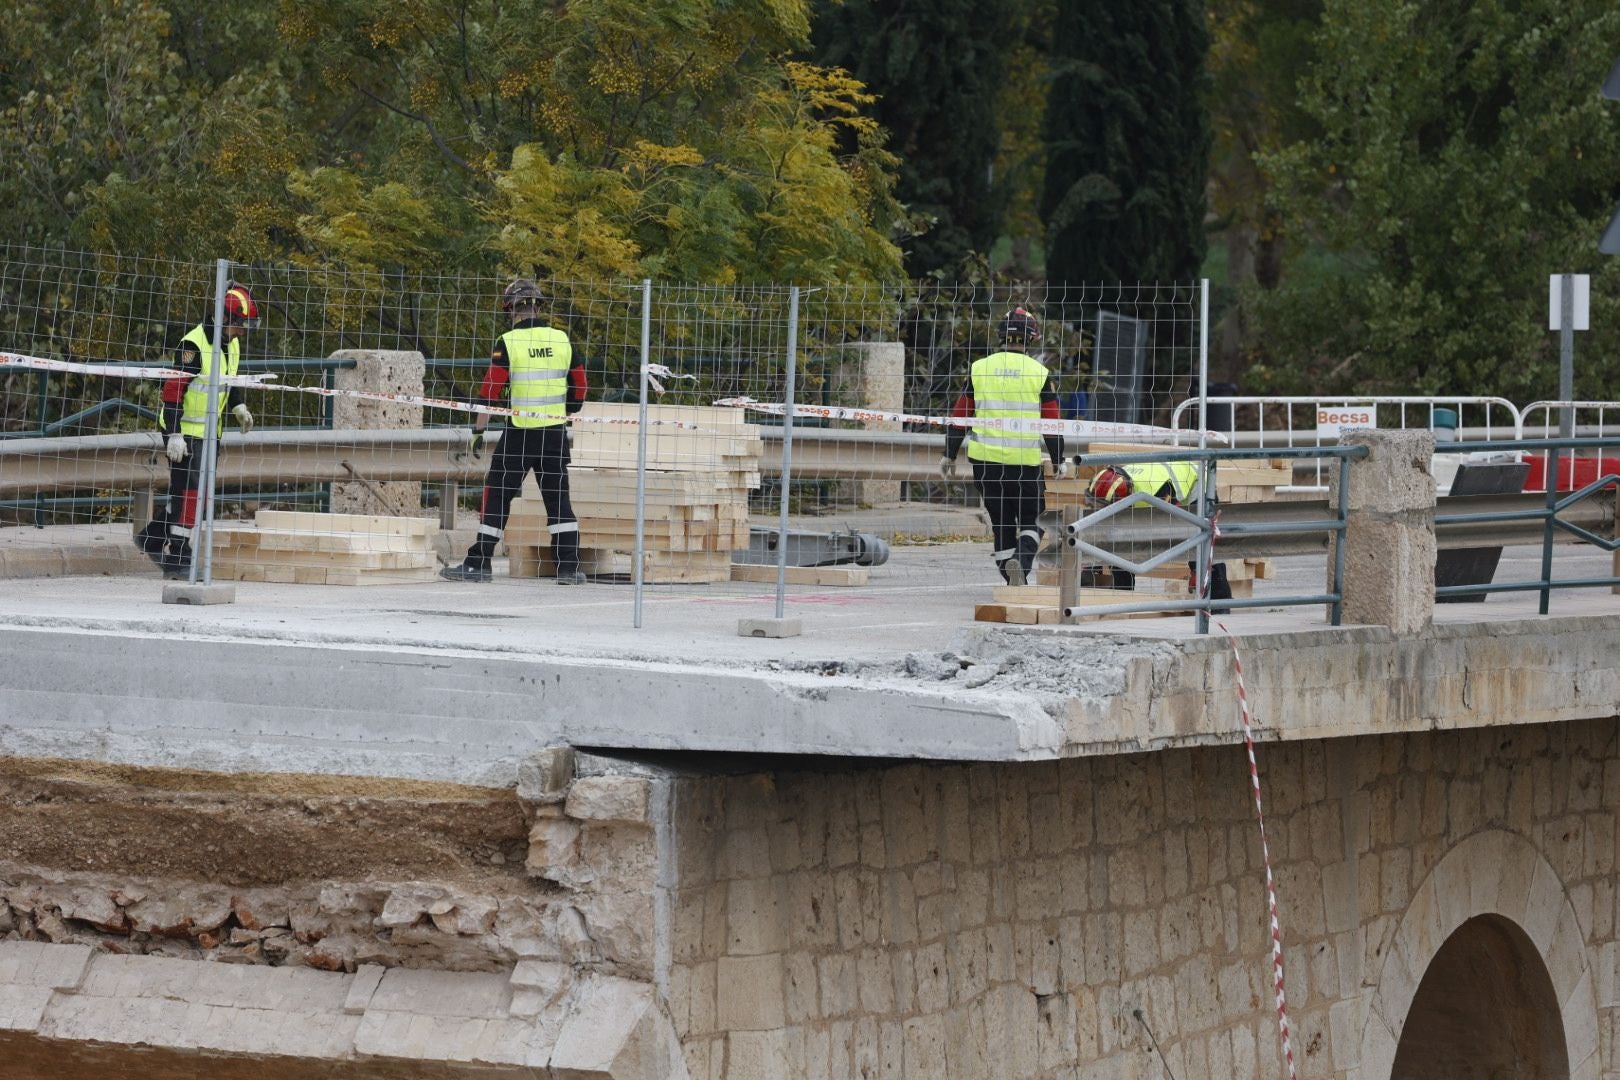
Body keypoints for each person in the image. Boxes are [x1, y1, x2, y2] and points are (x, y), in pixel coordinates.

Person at [442, 278, 588, 584]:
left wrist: (477, 431)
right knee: (558, 500)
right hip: (554, 434)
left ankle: (478, 562)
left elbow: (490, 391)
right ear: (538, 306)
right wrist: (568, 410)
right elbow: (580, 386)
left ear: (510, 309)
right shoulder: (562, 340)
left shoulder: (508, 342)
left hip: (520, 435)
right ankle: (569, 568)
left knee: (497, 495)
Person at [939, 307, 1071, 586]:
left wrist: (949, 454)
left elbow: (961, 416)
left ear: (1002, 336)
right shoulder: (1039, 372)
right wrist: (1058, 459)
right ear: (1031, 338)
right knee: (1033, 520)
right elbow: (1051, 422)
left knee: (1001, 521)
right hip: (1023, 464)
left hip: (985, 464)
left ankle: (1007, 570)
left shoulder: (980, 368)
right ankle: (1021, 566)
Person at [134, 284, 258, 579]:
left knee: (195, 495)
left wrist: (238, 406)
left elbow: (230, 380)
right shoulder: (193, 345)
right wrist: (175, 434)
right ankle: (179, 556)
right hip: (183, 430)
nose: (242, 333)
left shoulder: (232, 344)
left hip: (210, 432)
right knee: (189, 495)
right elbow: (173, 392)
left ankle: (152, 538)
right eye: (239, 326)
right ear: (224, 319)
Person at [1085, 462, 1231, 603]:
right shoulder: (1119, 483)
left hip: (1198, 485)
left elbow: (1174, 522)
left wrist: (1196, 568)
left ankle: (1220, 601)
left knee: (1200, 541)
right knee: (1122, 543)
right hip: (1164, 481)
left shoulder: (1156, 491)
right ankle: (1122, 597)